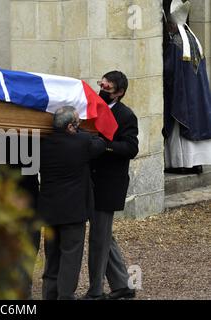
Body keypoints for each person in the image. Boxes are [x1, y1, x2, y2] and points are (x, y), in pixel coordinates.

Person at [38, 106, 106, 300]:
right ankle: (65, 296)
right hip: (73, 211)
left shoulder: (42, 144)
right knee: (70, 257)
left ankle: (49, 296)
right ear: (70, 126)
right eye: (78, 123)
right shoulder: (82, 142)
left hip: (50, 211)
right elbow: (100, 144)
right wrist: (82, 131)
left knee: (52, 258)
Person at [84, 71, 139, 300]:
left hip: (108, 185)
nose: (102, 91)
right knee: (105, 237)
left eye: (107, 89)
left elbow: (130, 148)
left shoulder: (126, 115)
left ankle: (95, 291)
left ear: (119, 93)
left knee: (98, 239)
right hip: (92, 181)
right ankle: (123, 285)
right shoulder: (95, 107)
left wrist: (105, 146)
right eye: (101, 85)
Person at [163, 0, 211, 174]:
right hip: (196, 96)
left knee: (179, 129)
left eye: (169, 25)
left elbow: (169, 72)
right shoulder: (193, 40)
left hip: (182, 95)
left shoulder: (176, 44)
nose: (168, 28)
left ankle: (181, 163)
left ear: (174, 26)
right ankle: (196, 163)